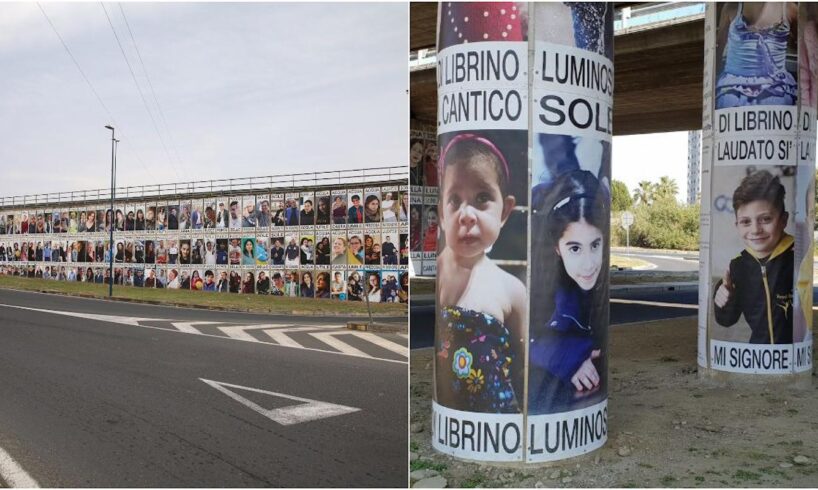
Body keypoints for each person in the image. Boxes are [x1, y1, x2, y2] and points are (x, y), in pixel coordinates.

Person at [435, 134, 526, 414]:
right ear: (441, 213)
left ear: (505, 211)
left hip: (496, 416)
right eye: (454, 200)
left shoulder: (510, 289)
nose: (467, 214)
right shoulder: (438, 270)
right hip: (452, 417)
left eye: (482, 198)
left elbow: (524, 366)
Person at [528, 169, 609, 413]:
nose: (589, 264)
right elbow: (516, 336)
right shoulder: (540, 287)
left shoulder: (597, 288)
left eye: (595, 245)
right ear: (556, 248)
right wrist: (569, 357)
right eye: (575, 249)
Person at [713, 170, 794, 344]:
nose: (755, 230)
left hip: (791, 356)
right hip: (758, 355)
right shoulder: (738, 265)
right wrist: (724, 297)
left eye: (765, 219)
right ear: (737, 225)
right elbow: (726, 320)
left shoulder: (798, 254)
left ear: (783, 220)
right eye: (745, 222)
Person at [715, 3, 798, 109]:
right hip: (733, 88)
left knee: (778, 102)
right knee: (729, 100)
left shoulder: (789, 8)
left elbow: (806, 48)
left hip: (776, 87)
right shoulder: (732, 7)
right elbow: (717, 48)